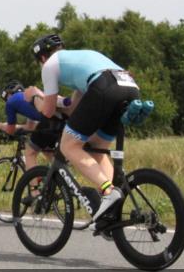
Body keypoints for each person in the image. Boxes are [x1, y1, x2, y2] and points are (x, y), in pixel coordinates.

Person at [31, 33, 140, 233]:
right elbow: (73, 108)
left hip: (104, 86)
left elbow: (46, 111)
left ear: (42, 58)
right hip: (128, 86)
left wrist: (34, 98)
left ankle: (107, 191)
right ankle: (112, 209)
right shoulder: (80, 60)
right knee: (97, 147)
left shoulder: (49, 65)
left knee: (69, 145)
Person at [0, 80, 63, 168]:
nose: (6, 101)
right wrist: (7, 125)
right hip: (57, 119)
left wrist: (0, 126)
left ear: (9, 94)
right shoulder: (27, 98)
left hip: (48, 120)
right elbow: (30, 127)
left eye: (5, 98)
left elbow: (10, 130)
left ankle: (34, 181)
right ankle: (63, 178)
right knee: (46, 150)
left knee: (29, 153)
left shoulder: (10, 102)